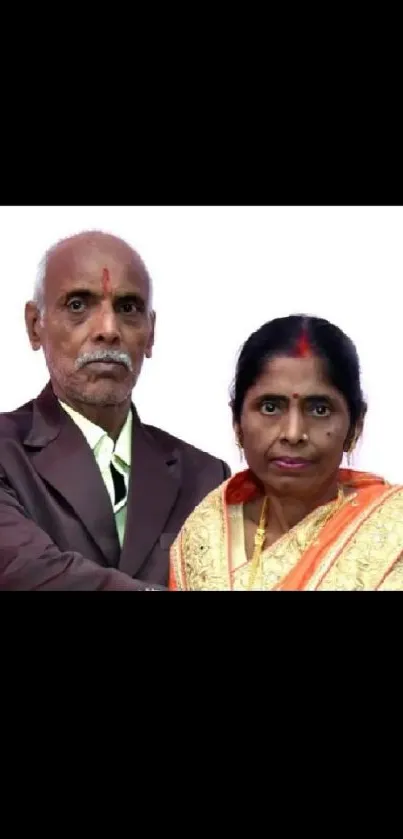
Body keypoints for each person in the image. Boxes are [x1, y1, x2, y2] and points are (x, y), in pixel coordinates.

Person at [0, 230, 230, 590]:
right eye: (78, 305)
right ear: (35, 326)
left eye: (128, 308)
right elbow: (26, 571)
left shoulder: (204, 478)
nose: (108, 330)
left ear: (150, 333)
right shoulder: (6, 451)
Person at [169, 314, 403, 591]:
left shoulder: (392, 531)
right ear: (237, 422)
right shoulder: (205, 536)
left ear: (355, 425)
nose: (293, 433)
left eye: (320, 409)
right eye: (270, 407)